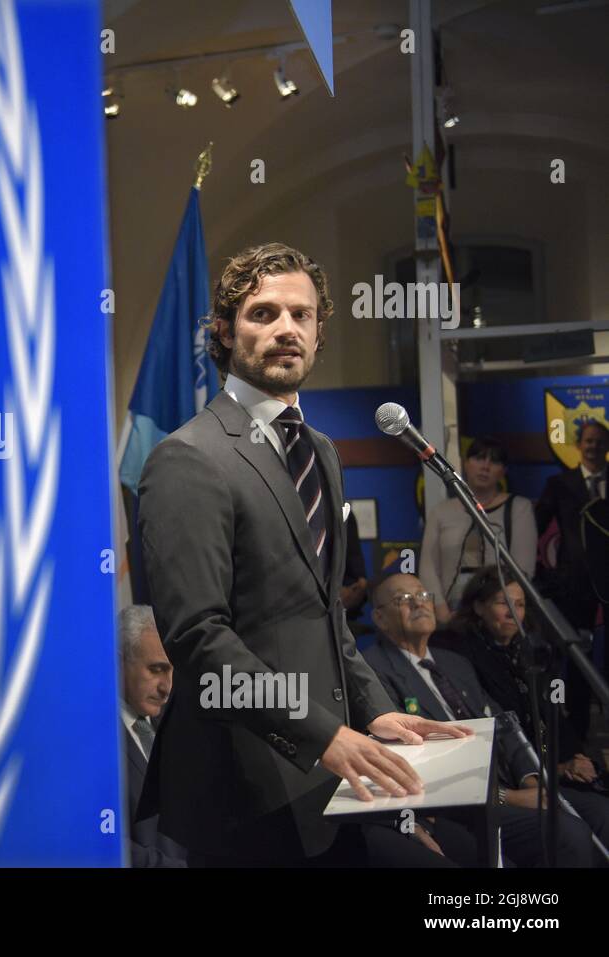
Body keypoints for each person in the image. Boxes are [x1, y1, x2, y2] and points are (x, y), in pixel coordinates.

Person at [136, 242, 469, 867]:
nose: (286, 328)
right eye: (264, 313)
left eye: (302, 315)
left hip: (330, 777)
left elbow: (327, 617)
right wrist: (322, 734)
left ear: (319, 333)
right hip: (244, 785)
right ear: (224, 331)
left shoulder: (322, 450)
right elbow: (199, 637)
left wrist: (377, 714)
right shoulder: (188, 458)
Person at [362, 571, 599, 867]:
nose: (419, 604)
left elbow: (505, 726)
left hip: (512, 783)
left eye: (423, 596)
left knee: (600, 814)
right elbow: (416, 760)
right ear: (380, 618)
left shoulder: (455, 662)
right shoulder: (373, 670)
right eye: (404, 599)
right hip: (462, 803)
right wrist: (507, 797)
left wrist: (531, 779)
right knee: (566, 833)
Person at [435, 567, 609, 846]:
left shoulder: (532, 652)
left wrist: (576, 757)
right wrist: (552, 770)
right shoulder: (459, 656)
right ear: (479, 607)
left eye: (519, 604)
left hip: (549, 771)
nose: (512, 613)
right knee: (572, 827)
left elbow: (554, 715)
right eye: (503, 603)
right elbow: (497, 726)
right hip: (509, 777)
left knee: (602, 812)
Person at [535, 417, 609, 747]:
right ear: (579, 446)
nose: (594, 446)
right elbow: (534, 530)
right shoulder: (559, 484)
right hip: (574, 594)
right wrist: (551, 580)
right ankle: (578, 748)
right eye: (588, 441)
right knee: (578, 671)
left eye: (600, 441)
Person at [419, 436, 536, 624]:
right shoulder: (441, 512)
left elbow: (524, 569)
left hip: (499, 614)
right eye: (479, 458)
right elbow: (428, 567)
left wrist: (495, 610)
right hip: (449, 613)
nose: (485, 466)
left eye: (494, 461)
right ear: (466, 464)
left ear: (503, 471)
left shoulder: (519, 508)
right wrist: (441, 611)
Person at [117, 604, 186, 867]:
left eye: (171, 671)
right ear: (117, 662)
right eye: (156, 670)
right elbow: (98, 841)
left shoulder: (175, 729)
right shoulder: (93, 739)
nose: (166, 687)